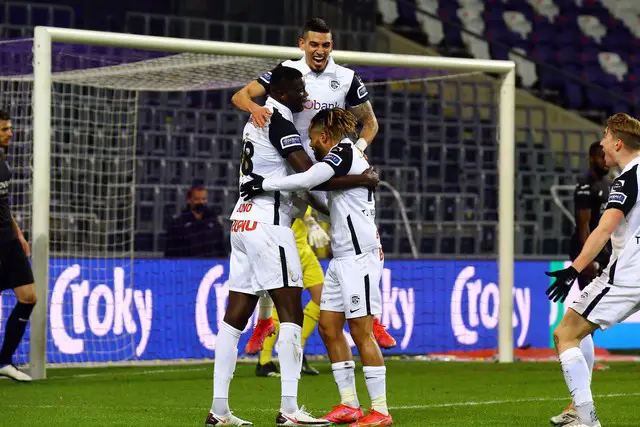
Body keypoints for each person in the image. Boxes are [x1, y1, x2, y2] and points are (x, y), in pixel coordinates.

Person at [206, 66, 377, 426]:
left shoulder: (255, 120)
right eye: (299, 89)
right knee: (291, 314)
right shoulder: (279, 121)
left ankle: (219, 410)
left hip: (242, 220)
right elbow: (308, 176)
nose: (305, 94)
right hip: (270, 223)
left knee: (234, 317)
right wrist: (362, 179)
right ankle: (289, 409)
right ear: (282, 94)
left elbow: (306, 188)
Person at [232, 17, 396, 366]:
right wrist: (256, 108)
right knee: (271, 242)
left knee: (356, 232)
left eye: (326, 45)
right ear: (302, 44)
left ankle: (373, 317)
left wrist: (357, 152)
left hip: (321, 167)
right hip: (290, 165)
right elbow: (240, 95)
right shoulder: (288, 73)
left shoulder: (347, 78)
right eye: (314, 44)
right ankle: (264, 323)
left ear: (331, 46)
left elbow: (371, 122)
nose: (320, 51)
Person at [240, 108, 393, 427]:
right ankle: (350, 404)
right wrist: (303, 198)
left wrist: (263, 182)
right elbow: (328, 205)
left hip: (360, 256)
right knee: (327, 327)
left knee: (361, 332)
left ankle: (380, 410)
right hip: (342, 257)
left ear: (325, 136)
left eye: (313, 139)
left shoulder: (344, 151)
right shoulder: (344, 160)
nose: (312, 146)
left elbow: (310, 177)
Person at [545, 113, 640, 427]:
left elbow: (602, 231)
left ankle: (585, 417)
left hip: (627, 277)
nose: (601, 144)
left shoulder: (627, 180)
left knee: (566, 333)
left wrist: (573, 269)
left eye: (605, 137)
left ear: (617, 142)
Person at [550, 142, 611, 426]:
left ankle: (580, 405)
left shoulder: (610, 184)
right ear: (591, 158)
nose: (605, 159)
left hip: (607, 260)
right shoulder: (586, 186)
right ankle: (579, 403)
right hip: (590, 260)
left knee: (580, 326)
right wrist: (588, 262)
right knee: (581, 325)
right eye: (600, 156)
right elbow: (583, 226)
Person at [0, 109, 37, 382]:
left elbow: (3, 203)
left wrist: (19, 234)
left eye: (9, 128)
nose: (10, 133)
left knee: (28, 297)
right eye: (4, 129)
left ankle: (4, 362)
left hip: (9, 240)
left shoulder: (2, 158)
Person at [164, 180, 227, 259]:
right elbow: (170, 253)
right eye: (197, 199)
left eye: (204, 199)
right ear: (188, 200)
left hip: (210, 268)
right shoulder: (178, 224)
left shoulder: (215, 223)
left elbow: (221, 250)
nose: (201, 202)